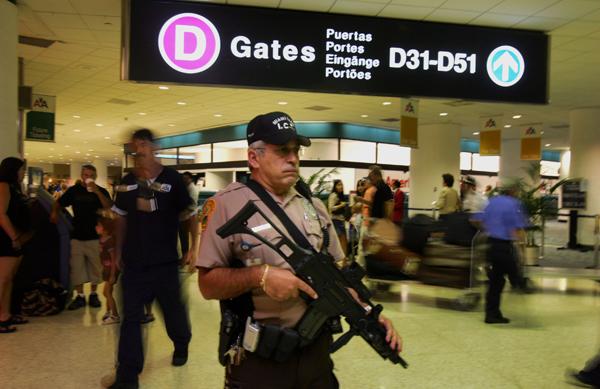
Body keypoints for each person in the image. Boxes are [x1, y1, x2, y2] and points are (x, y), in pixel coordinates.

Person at [196, 112, 401, 389]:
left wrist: (370, 313)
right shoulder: (226, 205)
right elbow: (207, 284)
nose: (293, 158)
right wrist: (260, 276)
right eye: (282, 150)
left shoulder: (313, 207)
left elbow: (338, 276)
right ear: (254, 158)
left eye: (295, 150)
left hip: (316, 359)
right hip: (259, 363)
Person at [108, 129, 195, 389]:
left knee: (172, 311)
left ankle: (181, 343)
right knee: (130, 319)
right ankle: (128, 377)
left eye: (143, 144)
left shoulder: (173, 180)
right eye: (135, 146)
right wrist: (118, 252)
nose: (139, 150)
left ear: (154, 148)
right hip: (134, 265)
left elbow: (189, 215)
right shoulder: (126, 181)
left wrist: (193, 248)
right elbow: (121, 218)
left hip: (165, 263)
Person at [51, 165, 112, 310]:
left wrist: (97, 192)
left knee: (96, 268)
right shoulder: (74, 191)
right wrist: (54, 212)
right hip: (77, 235)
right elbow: (59, 203)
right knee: (76, 268)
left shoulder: (101, 191)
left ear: (95, 176)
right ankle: (80, 296)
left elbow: (108, 207)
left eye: (90, 175)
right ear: (81, 175)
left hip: (95, 236)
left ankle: (93, 294)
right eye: (85, 174)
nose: (87, 177)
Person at [477, 178, 528, 324]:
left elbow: (479, 220)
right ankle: (518, 283)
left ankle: (492, 314)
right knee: (510, 278)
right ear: (513, 191)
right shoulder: (514, 203)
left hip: (491, 245)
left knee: (496, 281)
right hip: (504, 246)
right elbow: (517, 229)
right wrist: (521, 250)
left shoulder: (492, 201)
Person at [0, 157, 31, 333]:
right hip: (6, 238)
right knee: (3, 279)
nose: (23, 173)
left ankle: (5, 315)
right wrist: (14, 237)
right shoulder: (3, 186)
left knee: (9, 279)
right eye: (21, 170)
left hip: (16, 237)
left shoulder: (15, 188)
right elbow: (1, 214)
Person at [97, 213, 119, 325]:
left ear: (105, 229)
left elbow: (113, 258)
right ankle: (108, 311)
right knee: (106, 292)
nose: (96, 227)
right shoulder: (102, 239)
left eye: (98, 225)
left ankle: (115, 315)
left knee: (107, 292)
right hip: (106, 269)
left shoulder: (109, 241)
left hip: (111, 270)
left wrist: (112, 274)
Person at [178, 171, 199, 268]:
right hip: (187, 216)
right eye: (183, 178)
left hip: (191, 216)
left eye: (186, 178)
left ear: (191, 179)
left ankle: (192, 263)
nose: (184, 180)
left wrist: (181, 214)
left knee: (193, 241)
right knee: (186, 240)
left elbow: (191, 205)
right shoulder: (186, 188)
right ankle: (187, 259)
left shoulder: (192, 189)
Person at [328, 179, 348, 256]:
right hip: (336, 220)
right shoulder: (333, 195)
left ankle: (343, 259)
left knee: (343, 241)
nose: (341, 186)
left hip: (340, 220)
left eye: (341, 184)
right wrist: (341, 205)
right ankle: (341, 260)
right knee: (341, 241)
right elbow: (331, 208)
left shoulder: (339, 196)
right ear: (335, 186)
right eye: (339, 185)